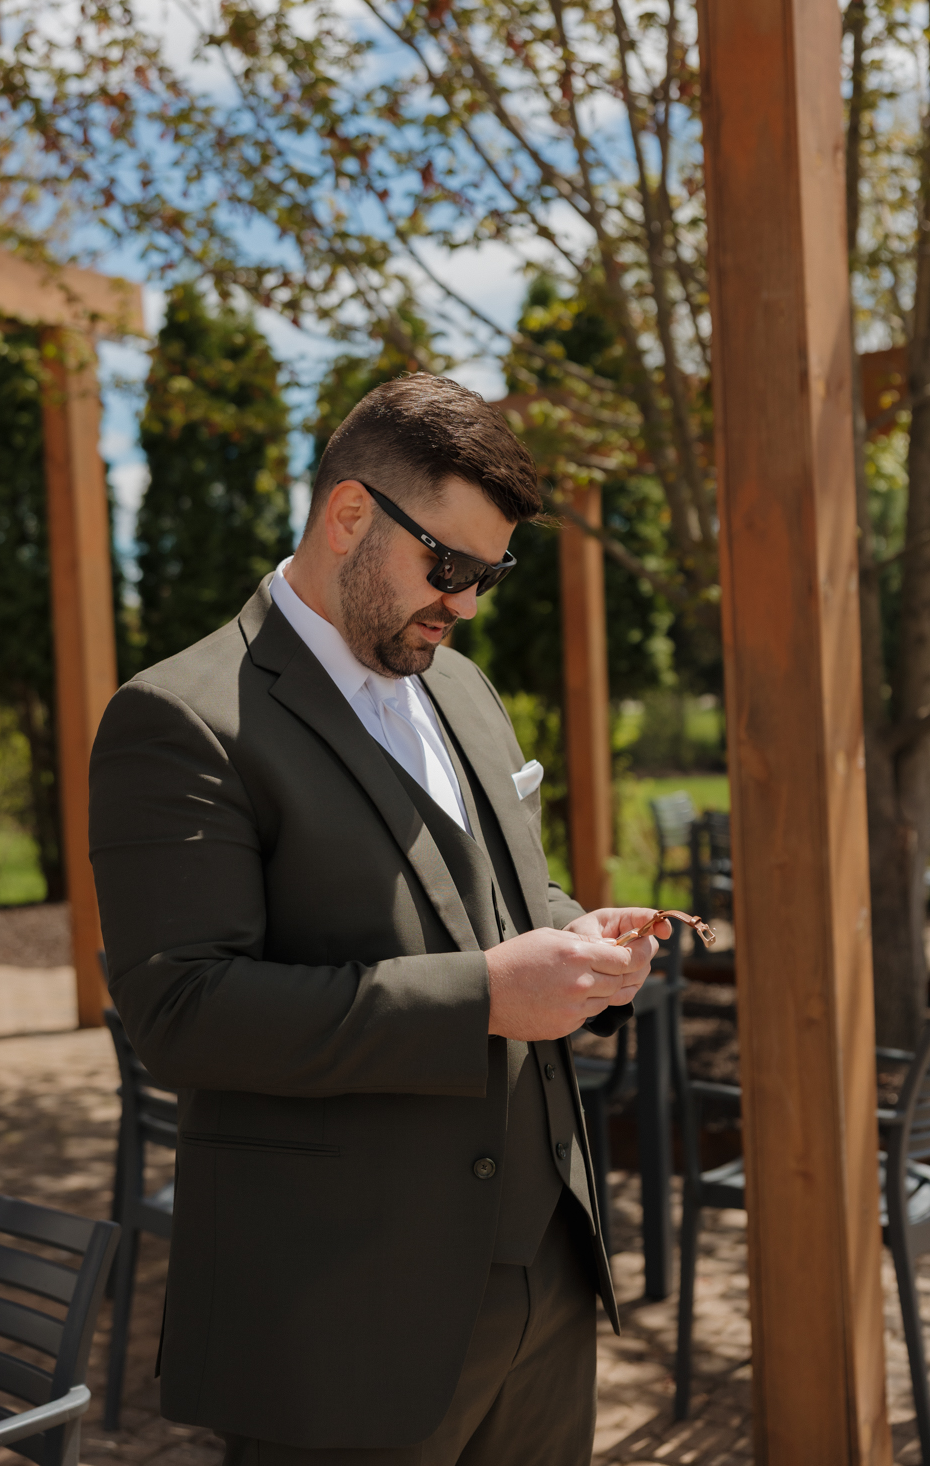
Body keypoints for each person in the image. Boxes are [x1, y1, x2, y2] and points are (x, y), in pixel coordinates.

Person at [89, 373, 665, 1466]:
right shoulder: (178, 719)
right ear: (350, 514)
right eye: (446, 567)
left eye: (488, 576)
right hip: (341, 1313)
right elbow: (182, 1011)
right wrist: (490, 995)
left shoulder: (465, 690)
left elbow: (497, 904)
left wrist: (578, 941)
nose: (466, 604)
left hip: (545, 1278)